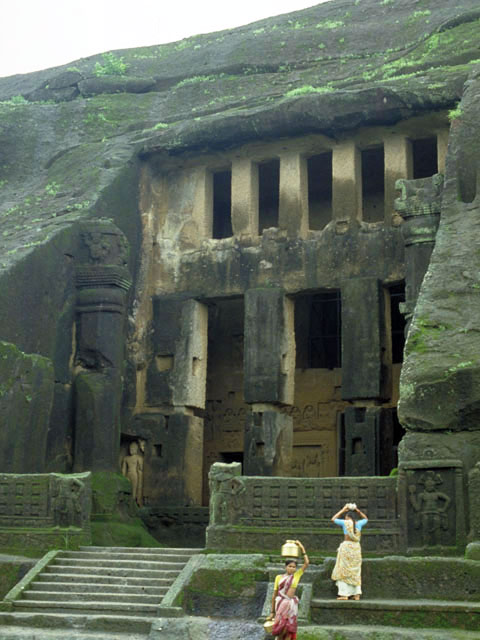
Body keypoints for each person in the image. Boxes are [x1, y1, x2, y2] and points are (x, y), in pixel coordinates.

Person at [267, 539, 309, 640]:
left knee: (289, 629)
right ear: (285, 567)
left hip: (291, 605)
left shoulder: (296, 576)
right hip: (281, 603)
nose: (292, 569)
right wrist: (272, 612)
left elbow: (306, 563)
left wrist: (302, 547)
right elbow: (274, 595)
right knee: (281, 628)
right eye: (290, 566)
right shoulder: (278, 577)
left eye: (294, 567)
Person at [331, 503, 368, 600]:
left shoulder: (345, 523)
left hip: (347, 547)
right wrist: (358, 510)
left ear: (347, 517)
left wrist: (343, 510)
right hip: (356, 548)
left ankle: (344, 594)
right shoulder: (359, 523)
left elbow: (333, 519)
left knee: (343, 569)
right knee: (355, 571)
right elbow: (366, 519)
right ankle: (356, 594)